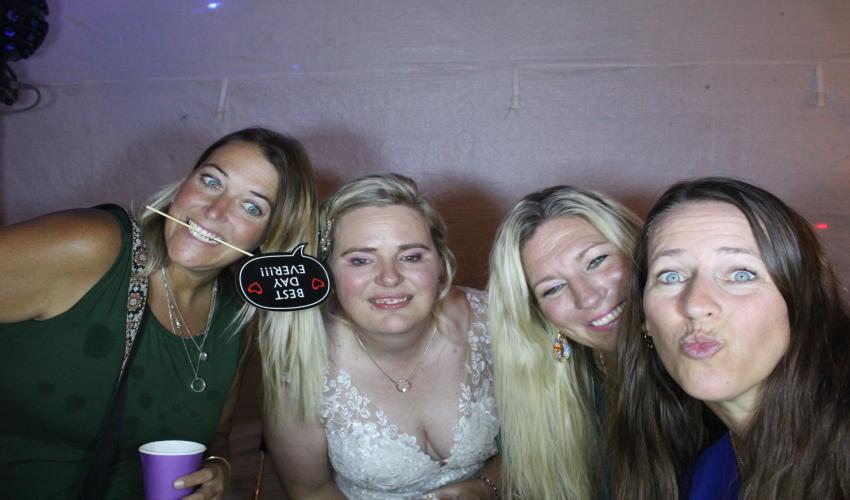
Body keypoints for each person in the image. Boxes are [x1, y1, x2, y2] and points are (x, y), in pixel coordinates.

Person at [0, 127, 319, 499]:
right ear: (184, 183)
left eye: (251, 207)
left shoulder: (236, 320)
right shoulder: (93, 246)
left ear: (269, 237)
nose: (215, 211)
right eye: (211, 181)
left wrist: (218, 464)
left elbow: (217, 432)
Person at [262, 173, 500, 499]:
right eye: (361, 260)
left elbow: (546, 441)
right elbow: (311, 490)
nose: (389, 278)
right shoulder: (301, 368)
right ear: (328, 272)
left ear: (440, 263)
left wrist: (484, 487)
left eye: (411, 256)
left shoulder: (491, 322)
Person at [610, 177, 850, 499]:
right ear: (645, 321)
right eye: (671, 276)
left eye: (741, 274)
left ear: (802, 305)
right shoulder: (702, 473)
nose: (695, 305)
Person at [487, 186, 642, 499]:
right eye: (553, 288)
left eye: (597, 261)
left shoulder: (702, 372)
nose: (587, 297)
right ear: (539, 315)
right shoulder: (556, 391)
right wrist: (480, 486)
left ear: (639, 248)